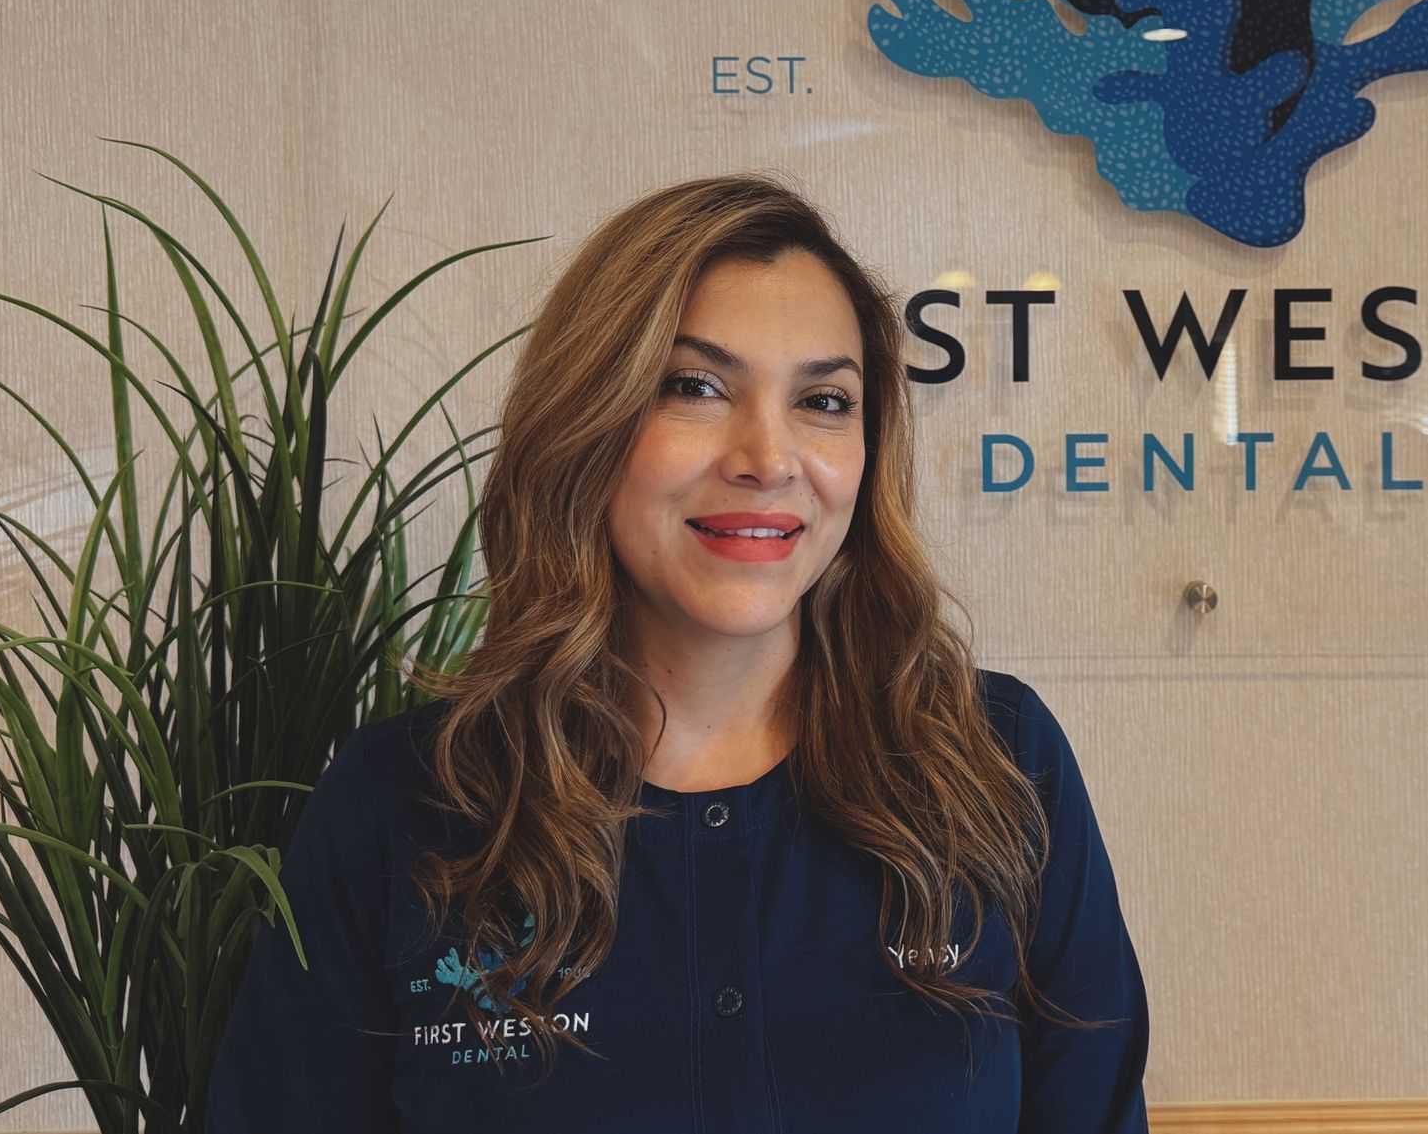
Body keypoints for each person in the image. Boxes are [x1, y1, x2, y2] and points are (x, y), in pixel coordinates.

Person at [207, 172, 1149, 1132]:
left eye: (823, 399)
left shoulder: (998, 761)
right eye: (694, 387)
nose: (767, 458)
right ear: (586, 421)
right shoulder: (400, 801)